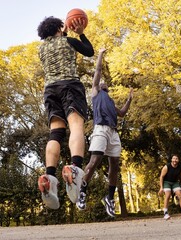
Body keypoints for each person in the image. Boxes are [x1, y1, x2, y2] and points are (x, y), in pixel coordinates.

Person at [36, 16, 94, 209]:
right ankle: (75, 167)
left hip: (50, 90)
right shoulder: (67, 41)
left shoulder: (41, 49)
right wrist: (80, 33)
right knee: (76, 125)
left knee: (56, 132)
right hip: (70, 85)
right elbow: (89, 52)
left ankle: (50, 176)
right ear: (60, 28)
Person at [76, 48, 133, 217]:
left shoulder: (109, 100)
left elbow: (121, 113)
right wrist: (100, 54)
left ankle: (109, 198)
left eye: (104, 83)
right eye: (100, 82)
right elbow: (98, 71)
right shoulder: (95, 93)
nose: (102, 83)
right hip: (100, 129)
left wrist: (129, 100)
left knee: (115, 165)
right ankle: (82, 191)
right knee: (94, 161)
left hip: (113, 133)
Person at [158, 154, 181, 219]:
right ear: (171, 160)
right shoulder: (167, 166)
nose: (175, 160)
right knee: (168, 195)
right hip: (167, 182)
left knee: (180, 195)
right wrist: (161, 187)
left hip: (175, 183)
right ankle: (165, 213)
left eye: (176, 159)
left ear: (178, 160)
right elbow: (161, 176)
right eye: (173, 158)